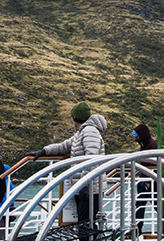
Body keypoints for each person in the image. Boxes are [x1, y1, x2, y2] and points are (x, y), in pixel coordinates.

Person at [28, 102, 107, 241]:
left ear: (75, 117)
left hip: (89, 188)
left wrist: (84, 184)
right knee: (85, 224)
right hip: (83, 186)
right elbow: (64, 146)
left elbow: (92, 158)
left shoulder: (89, 132)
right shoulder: (82, 132)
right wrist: (44, 151)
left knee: (86, 225)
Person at [132, 124, 158, 235]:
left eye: (136, 136)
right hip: (144, 179)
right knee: (140, 204)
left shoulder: (151, 145)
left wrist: (148, 180)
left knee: (157, 204)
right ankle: (138, 228)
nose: (135, 138)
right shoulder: (144, 144)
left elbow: (153, 163)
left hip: (151, 180)